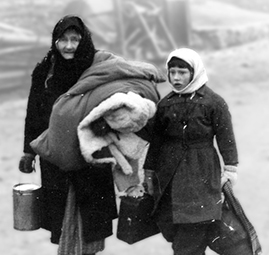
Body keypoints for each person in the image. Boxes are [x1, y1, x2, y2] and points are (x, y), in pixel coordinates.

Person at [18, 15, 117, 255]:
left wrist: (105, 124)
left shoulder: (96, 68)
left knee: (90, 219)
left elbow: (114, 100)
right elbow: (34, 113)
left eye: (75, 39)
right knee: (62, 213)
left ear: (84, 41)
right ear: (55, 41)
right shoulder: (44, 71)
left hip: (90, 155)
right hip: (56, 156)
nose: (69, 46)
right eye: (63, 40)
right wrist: (28, 152)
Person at [143, 48, 254, 254]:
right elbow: (156, 143)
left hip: (201, 170)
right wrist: (149, 172)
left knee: (193, 226)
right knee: (176, 226)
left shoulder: (214, 102)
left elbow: (225, 139)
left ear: (194, 72)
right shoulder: (165, 104)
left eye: (182, 72)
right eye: (172, 72)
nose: (176, 78)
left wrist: (230, 170)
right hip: (170, 174)